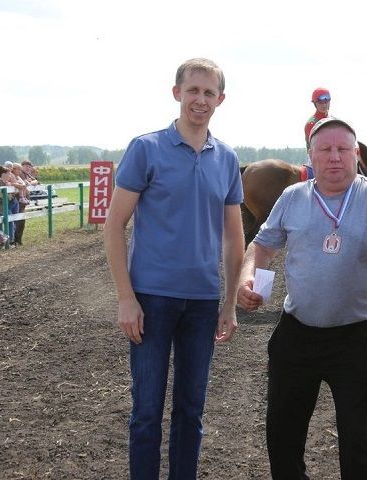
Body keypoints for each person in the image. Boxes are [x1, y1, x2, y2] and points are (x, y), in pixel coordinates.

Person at [103, 57, 244, 480]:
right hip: (151, 299)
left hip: (202, 302)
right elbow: (113, 226)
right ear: (177, 93)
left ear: (221, 99)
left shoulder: (227, 159)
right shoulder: (146, 148)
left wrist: (230, 302)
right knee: (146, 411)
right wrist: (126, 299)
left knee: (191, 411)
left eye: (209, 93)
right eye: (193, 90)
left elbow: (235, 238)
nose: (200, 100)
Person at [238, 117, 367, 479]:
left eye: (343, 149)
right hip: (297, 334)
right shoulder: (293, 196)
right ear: (311, 156)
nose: (334, 157)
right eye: (325, 149)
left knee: (358, 442)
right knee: (283, 439)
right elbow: (261, 246)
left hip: (355, 338)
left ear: (356, 154)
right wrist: (246, 278)